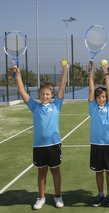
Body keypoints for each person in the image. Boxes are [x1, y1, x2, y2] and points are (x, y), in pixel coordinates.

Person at [14, 59, 68, 210]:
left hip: (54, 145)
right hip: (39, 146)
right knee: (41, 172)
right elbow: (22, 92)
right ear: (39, 94)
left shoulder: (56, 105)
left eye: (47, 94)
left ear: (52, 95)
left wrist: (65, 70)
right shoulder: (35, 107)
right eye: (42, 94)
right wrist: (18, 75)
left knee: (55, 171)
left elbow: (62, 86)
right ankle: (41, 197)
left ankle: (58, 196)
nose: (45, 96)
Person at [88, 61, 109, 207]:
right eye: (99, 97)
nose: (101, 99)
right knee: (98, 172)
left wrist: (106, 72)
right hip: (96, 144)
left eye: (104, 97)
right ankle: (100, 195)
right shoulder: (92, 108)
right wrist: (91, 71)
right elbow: (91, 87)